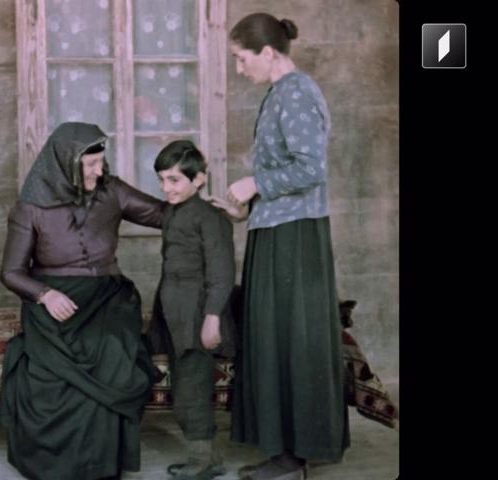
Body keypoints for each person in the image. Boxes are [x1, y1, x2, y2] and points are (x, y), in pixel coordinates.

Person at [211, 13, 350, 480]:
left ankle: (295, 456)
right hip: (277, 231)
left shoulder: (296, 92)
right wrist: (245, 208)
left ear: (268, 53)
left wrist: (254, 183)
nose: (238, 69)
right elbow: (288, 174)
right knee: (276, 339)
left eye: (241, 59)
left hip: (295, 238)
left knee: (291, 340)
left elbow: (312, 169)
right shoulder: (281, 93)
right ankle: (289, 451)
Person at [0, 121, 167, 480]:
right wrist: (45, 294)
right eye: (90, 164)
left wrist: (211, 211)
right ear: (66, 162)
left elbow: (165, 215)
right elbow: (11, 272)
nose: (99, 171)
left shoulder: (113, 191)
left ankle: (100, 466)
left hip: (108, 297)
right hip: (53, 299)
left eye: (100, 162)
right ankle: (58, 466)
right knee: (52, 370)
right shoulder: (30, 207)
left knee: (109, 348)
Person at [146, 140, 236, 480]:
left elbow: (222, 273)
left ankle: (203, 461)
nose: (165, 188)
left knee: (192, 390)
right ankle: (210, 457)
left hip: (197, 314)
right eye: (161, 180)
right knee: (183, 384)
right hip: (173, 312)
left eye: (174, 180)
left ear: (199, 179)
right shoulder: (172, 211)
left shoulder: (210, 218)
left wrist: (212, 318)